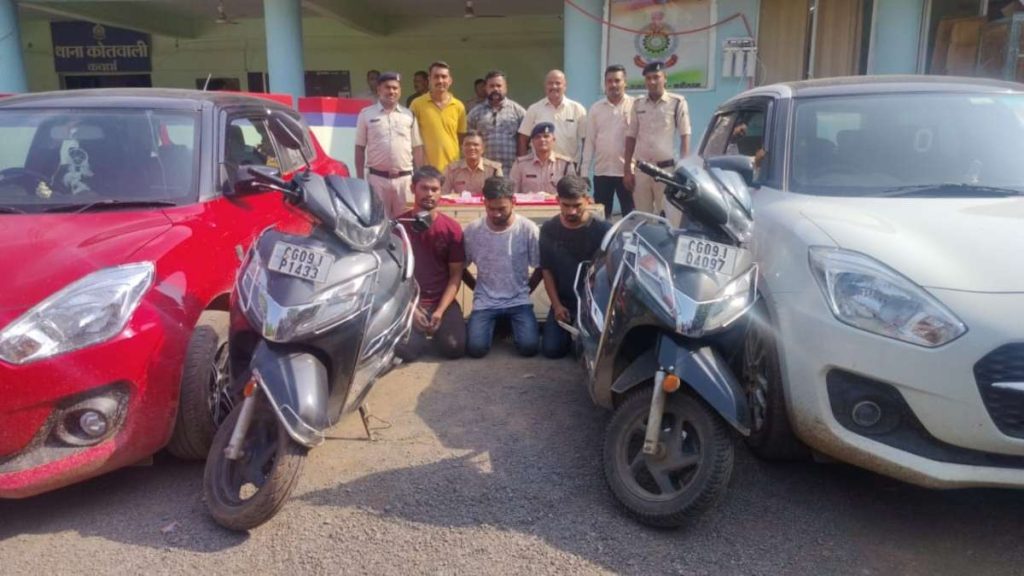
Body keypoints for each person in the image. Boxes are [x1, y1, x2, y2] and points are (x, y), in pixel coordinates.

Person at [462, 176, 543, 358]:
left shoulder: (528, 229)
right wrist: (478, 289)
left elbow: (540, 268)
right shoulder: (473, 230)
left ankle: (505, 324)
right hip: (485, 301)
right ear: (484, 203)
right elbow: (460, 268)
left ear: (513, 202)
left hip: (519, 301)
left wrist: (525, 291)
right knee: (476, 349)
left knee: (529, 348)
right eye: (491, 209)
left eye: (501, 209)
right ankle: (498, 324)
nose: (496, 214)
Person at [396, 166, 466, 361]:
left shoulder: (451, 228)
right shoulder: (397, 227)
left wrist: (440, 311)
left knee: (454, 348)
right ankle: (418, 337)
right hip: (408, 302)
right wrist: (411, 308)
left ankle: (437, 332)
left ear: (441, 192)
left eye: (434, 189)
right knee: (406, 352)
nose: (429, 194)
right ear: (413, 188)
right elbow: (391, 277)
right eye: (424, 188)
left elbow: (455, 275)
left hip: (441, 301)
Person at [539, 174, 611, 359]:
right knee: (552, 350)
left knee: (583, 353)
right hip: (563, 303)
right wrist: (557, 306)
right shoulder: (549, 229)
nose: (571, 211)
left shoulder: (603, 230)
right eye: (566, 205)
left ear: (587, 200)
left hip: (592, 304)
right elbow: (546, 270)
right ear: (558, 201)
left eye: (577, 205)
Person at [624, 60, 692, 215]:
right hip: (642, 170)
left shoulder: (677, 102)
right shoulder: (638, 104)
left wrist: (683, 167)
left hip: (665, 170)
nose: (652, 82)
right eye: (648, 78)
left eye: (656, 77)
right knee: (643, 215)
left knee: (667, 215)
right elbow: (631, 136)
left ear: (665, 78)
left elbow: (685, 135)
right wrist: (627, 169)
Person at [354, 71, 424, 218]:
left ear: (400, 91)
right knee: (379, 222)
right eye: (387, 87)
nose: (391, 91)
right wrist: (360, 179)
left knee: (406, 222)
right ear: (379, 89)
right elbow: (360, 148)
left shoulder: (409, 115)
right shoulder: (366, 114)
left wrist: (419, 177)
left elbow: (417, 148)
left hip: (405, 181)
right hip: (377, 180)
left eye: (395, 88)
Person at [582, 64, 634, 219]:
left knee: (631, 216)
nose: (613, 85)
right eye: (609, 81)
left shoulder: (635, 106)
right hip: (602, 172)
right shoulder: (596, 109)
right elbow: (590, 142)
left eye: (617, 80)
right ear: (605, 84)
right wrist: (584, 172)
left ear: (625, 82)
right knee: (601, 218)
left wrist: (634, 169)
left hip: (627, 172)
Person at [517, 70, 587, 166]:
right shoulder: (534, 109)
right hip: (539, 166)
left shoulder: (577, 109)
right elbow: (523, 138)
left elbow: (585, 141)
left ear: (565, 86)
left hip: (568, 167)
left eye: (558, 83)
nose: (554, 86)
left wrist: (583, 167)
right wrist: (523, 165)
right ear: (545, 86)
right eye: (550, 83)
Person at [409, 60, 467, 172]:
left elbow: (461, 138)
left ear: (450, 80)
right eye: (436, 77)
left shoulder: (458, 106)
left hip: (452, 169)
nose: (440, 80)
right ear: (429, 80)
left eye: (444, 77)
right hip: (426, 171)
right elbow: (411, 137)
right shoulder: (417, 104)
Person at [467, 70, 526, 176]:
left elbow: (526, 141)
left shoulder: (519, 112)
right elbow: (468, 142)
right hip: (484, 172)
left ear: (506, 87)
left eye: (499, 86)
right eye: (492, 86)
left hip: (511, 172)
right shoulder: (475, 113)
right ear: (486, 88)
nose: (495, 89)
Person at [509, 122, 574, 195]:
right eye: (538, 137)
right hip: (529, 202)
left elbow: (571, 194)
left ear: (553, 140)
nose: (542, 139)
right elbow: (513, 193)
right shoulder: (520, 164)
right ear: (532, 142)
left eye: (546, 136)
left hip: (556, 202)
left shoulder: (565, 164)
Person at [442, 130, 502, 196]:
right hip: (460, 203)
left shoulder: (494, 170)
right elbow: (443, 194)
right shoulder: (451, 170)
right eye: (467, 144)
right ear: (462, 148)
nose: (471, 148)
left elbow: (500, 196)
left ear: (483, 148)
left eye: (476, 145)